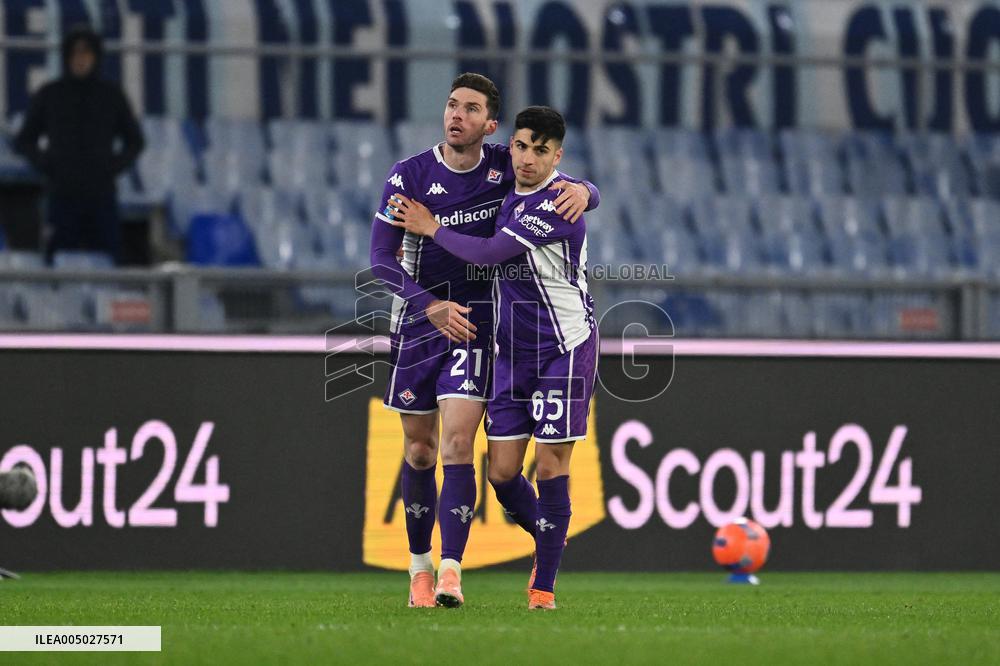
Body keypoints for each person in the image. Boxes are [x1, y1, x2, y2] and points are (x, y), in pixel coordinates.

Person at [369, 74, 599, 608]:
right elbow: (380, 259)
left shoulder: (503, 164)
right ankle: (419, 567)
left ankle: (451, 572)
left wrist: (587, 190)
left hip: (478, 326)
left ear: (488, 124)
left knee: (456, 445)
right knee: (421, 448)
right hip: (421, 321)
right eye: (452, 105)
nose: (457, 116)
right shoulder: (409, 175)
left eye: (471, 109)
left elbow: (557, 179)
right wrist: (428, 304)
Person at [14, 25, 145, 264]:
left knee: (109, 261)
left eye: (86, 53)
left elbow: (135, 141)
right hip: (62, 195)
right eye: (75, 53)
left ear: (96, 57)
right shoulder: (51, 94)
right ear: (66, 57)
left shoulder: (111, 95)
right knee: (58, 262)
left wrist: (111, 166)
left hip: (102, 194)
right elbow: (23, 140)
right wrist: (48, 164)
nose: (80, 59)